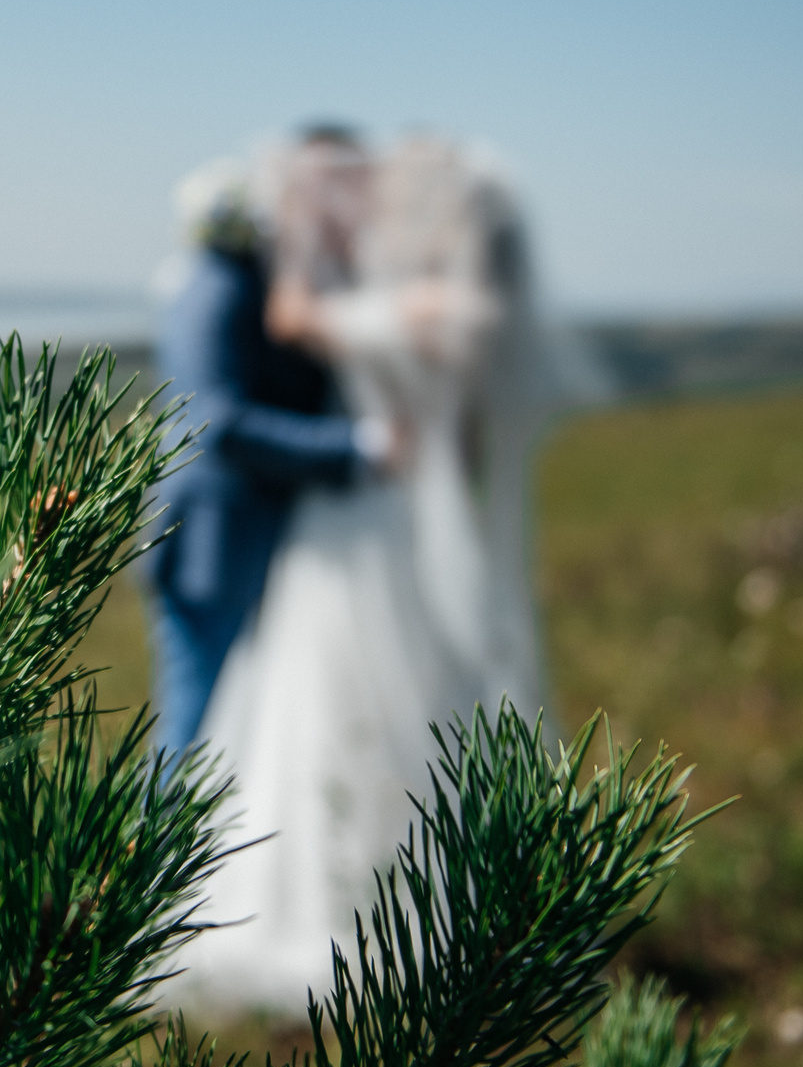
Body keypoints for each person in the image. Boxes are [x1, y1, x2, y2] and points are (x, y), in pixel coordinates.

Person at [162, 131, 576, 1018]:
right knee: (324, 705)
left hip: (363, 522)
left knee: (344, 708)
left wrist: (299, 222)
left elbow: (295, 322)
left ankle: (343, 900)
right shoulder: (424, 303)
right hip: (367, 522)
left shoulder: (411, 304)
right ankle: (378, 899)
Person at [141, 134, 399, 763]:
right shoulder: (220, 283)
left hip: (279, 539)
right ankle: (154, 831)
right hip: (214, 541)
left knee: (243, 727)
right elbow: (217, 421)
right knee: (195, 722)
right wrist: (355, 447)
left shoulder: (287, 283)